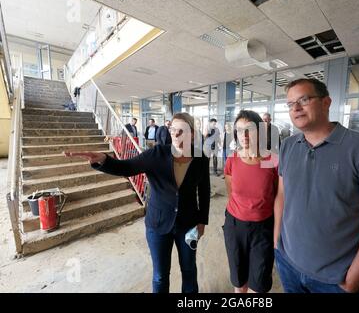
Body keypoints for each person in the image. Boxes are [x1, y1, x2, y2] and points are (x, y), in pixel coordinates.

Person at [64, 112, 210, 293]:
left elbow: (204, 191)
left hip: (188, 225)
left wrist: (202, 221)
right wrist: (103, 160)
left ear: (192, 134)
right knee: (160, 275)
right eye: (173, 129)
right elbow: (126, 167)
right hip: (158, 225)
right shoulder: (156, 154)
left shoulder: (201, 158)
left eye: (181, 130)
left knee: (189, 271)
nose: (175, 134)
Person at [274, 78, 359, 293]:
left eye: (304, 99)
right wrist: (276, 243)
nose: (296, 108)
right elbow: (282, 196)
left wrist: (352, 281)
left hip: (334, 279)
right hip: (288, 264)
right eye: (290, 104)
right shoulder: (288, 146)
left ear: (326, 102)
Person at [223, 110, 278, 293]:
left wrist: (277, 231)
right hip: (235, 225)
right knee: (239, 282)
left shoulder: (272, 160)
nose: (244, 135)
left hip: (263, 228)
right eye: (239, 130)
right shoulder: (232, 159)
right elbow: (231, 193)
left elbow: (278, 197)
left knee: (259, 282)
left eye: (249, 129)